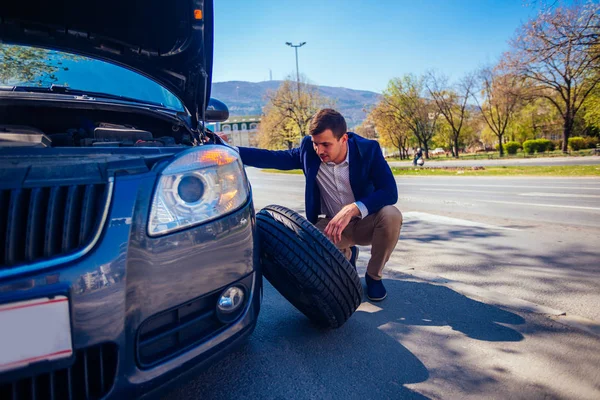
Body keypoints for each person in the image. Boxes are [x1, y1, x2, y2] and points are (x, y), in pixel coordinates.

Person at [237, 109, 402, 301]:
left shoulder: (368, 150)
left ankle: (374, 276)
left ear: (344, 139)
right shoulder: (309, 150)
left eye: (326, 144)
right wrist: (229, 150)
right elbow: (273, 157)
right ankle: (346, 255)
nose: (320, 150)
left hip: (365, 222)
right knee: (308, 266)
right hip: (331, 227)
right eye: (316, 144)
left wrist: (353, 208)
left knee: (392, 215)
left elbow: (390, 191)